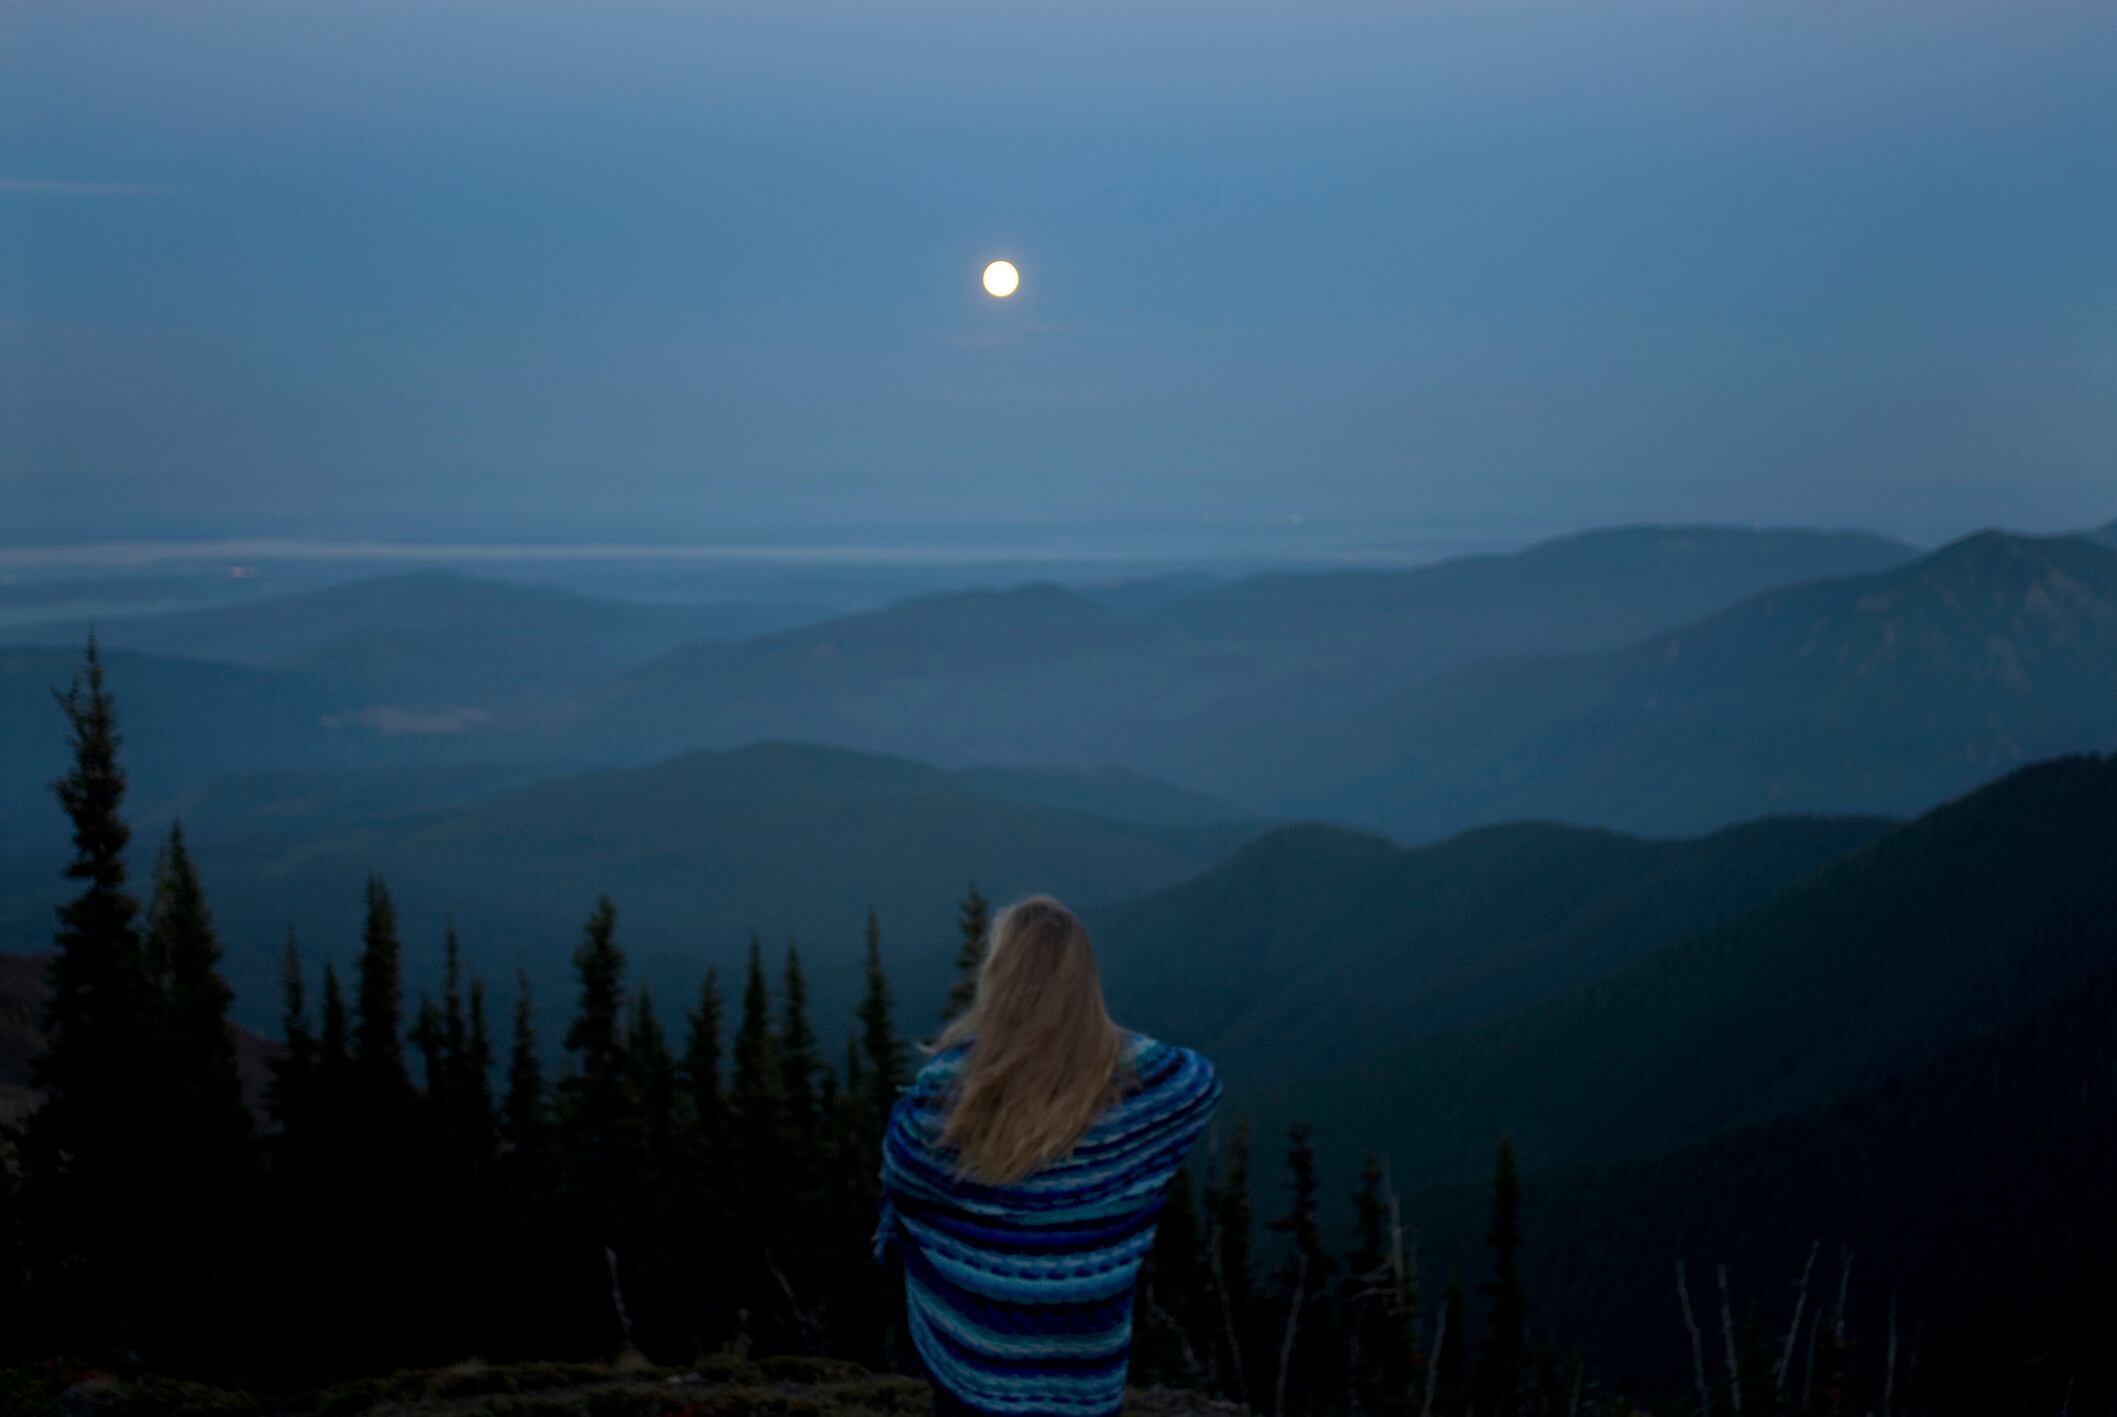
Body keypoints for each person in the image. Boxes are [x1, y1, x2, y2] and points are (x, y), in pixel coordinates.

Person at [874, 894, 1222, 1417]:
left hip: (973, 1375)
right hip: (1085, 1381)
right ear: (1084, 982)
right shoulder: (1144, 1088)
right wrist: (1112, 1046)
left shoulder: (944, 1093)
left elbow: (902, 1183)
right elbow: (1201, 1080)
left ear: (998, 978)